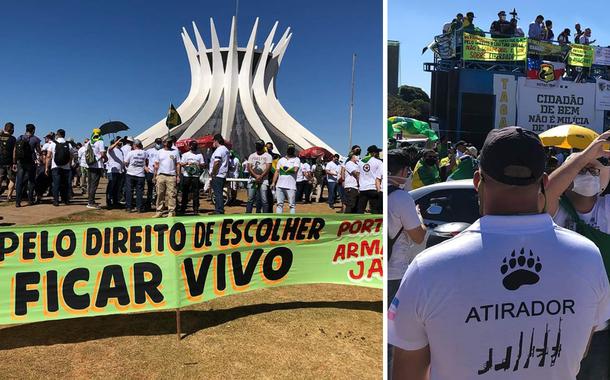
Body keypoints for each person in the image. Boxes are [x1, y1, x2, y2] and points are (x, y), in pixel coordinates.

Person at [389, 127, 610, 380]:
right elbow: (581, 350)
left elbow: (408, 372)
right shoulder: (587, 258)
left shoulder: (429, 268)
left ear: (477, 181)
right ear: (544, 182)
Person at [545, 133, 610, 380]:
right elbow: (548, 191)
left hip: (602, 324)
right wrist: (582, 158)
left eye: (595, 172)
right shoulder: (554, 210)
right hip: (558, 320)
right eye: (583, 170)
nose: (589, 175)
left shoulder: (607, 209)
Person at [387, 148, 427, 374]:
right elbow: (418, 236)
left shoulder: (380, 191)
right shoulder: (401, 198)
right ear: (403, 171)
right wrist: (420, 219)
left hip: (380, 265)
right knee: (393, 335)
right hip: (396, 271)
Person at [14, 123, 41, 207]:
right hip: (31, 162)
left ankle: (18, 202)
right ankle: (30, 200)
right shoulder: (36, 139)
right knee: (31, 181)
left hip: (20, 162)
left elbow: (15, 151)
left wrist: (14, 162)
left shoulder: (20, 137)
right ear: (33, 130)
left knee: (19, 182)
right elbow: (38, 151)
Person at [153, 136, 180, 218]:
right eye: (168, 142)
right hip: (161, 175)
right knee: (160, 194)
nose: (170, 143)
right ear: (164, 143)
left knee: (171, 194)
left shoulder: (175, 152)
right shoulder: (159, 152)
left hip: (171, 176)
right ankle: (159, 211)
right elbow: (156, 165)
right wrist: (155, 176)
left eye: (170, 142)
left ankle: (171, 211)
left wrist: (178, 176)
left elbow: (178, 164)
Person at [45, 129, 73, 206]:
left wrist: (46, 167)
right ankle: (65, 200)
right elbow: (71, 156)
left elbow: (48, 156)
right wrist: (69, 164)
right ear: (64, 135)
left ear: (57, 135)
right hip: (66, 167)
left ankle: (56, 200)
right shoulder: (68, 144)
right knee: (65, 184)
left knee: (56, 184)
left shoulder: (53, 144)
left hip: (55, 166)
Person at [271, 144, 300, 214]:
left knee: (292, 205)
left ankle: (291, 221)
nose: (290, 150)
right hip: (279, 185)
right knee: (279, 204)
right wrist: (273, 182)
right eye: (289, 149)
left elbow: (295, 170)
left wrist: (285, 168)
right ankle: (278, 220)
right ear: (287, 150)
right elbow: (277, 172)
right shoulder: (281, 160)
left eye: (292, 149)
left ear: (294, 150)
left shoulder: (296, 159)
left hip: (291, 186)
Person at [245, 139, 272, 213]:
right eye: (257, 145)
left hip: (264, 180)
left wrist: (261, 176)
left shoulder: (268, 156)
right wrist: (256, 176)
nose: (258, 147)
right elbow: (249, 167)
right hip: (253, 179)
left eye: (259, 146)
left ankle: (265, 216)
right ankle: (248, 215)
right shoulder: (252, 155)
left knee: (264, 200)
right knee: (250, 199)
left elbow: (268, 167)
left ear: (263, 146)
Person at [179, 140, 204, 214]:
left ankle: (195, 209)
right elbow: (181, 163)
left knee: (196, 193)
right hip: (187, 175)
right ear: (190, 146)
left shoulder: (199, 155)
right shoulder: (185, 154)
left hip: (195, 176)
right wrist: (187, 163)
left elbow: (203, 164)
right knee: (185, 192)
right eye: (193, 146)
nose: (194, 148)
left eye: (195, 146)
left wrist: (197, 164)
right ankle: (183, 208)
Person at [357, 145, 383, 214]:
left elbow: (358, 174)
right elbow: (379, 177)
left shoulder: (360, 162)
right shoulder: (379, 162)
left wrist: (359, 185)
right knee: (375, 210)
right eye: (377, 152)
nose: (378, 154)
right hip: (373, 188)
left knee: (360, 209)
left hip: (363, 188)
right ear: (374, 153)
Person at [123, 139, 147, 213]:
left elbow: (125, 162)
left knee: (129, 191)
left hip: (131, 173)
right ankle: (139, 208)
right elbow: (146, 162)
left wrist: (127, 165)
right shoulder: (145, 153)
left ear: (135, 145)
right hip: (140, 174)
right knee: (139, 192)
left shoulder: (131, 153)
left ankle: (129, 207)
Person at [209, 133, 230, 215]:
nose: (213, 143)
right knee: (219, 192)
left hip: (218, 174)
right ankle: (219, 209)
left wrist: (213, 173)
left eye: (213, 141)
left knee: (217, 193)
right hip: (223, 174)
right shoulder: (226, 149)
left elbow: (217, 162)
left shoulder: (219, 150)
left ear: (216, 141)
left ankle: (219, 210)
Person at [85, 129, 106, 209]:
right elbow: (102, 153)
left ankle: (90, 201)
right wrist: (105, 158)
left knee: (90, 184)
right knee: (94, 184)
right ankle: (91, 203)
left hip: (90, 165)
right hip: (97, 165)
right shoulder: (100, 141)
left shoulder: (89, 141)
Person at [105, 136, 125, 209]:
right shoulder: (111, 149)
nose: (120, 142)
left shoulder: (121, 150)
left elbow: (122, 160)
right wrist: (116, 142)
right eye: (119, 141)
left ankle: (115, 201)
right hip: (112, 171)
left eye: (121, 141)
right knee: (111, 187)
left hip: (119, 171)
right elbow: (110, 148)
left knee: (117, 188)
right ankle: (109, 202)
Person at [144, 137, 163, 211]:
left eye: (159, 143)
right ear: (155, 143)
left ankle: (157, 203)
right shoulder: (149, 151)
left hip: (159, 173)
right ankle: (148, 203)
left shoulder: (162, 151)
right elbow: (144, 159)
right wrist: (145, 167)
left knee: (159, 189)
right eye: (157, 143)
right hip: (150, 172)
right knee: (150, 188)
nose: (158, 144)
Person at [0, 122, 16, 201]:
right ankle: (9, 196)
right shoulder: (13, 139)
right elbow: (14, 152)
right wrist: (14, 162)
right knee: (12, 179)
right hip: (9, 162)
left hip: (0, 161)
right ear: (12, 129)